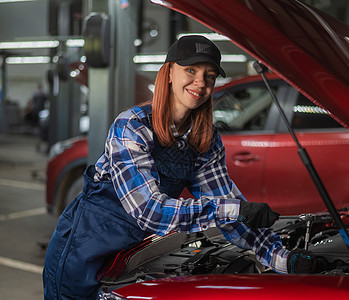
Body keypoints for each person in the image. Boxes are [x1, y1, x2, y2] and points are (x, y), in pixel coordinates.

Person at [43, 35, 318, 300]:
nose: (200, 82)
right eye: (191, 70)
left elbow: (227, 207)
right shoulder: (132, 126)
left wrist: (281, 258)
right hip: (83, 250)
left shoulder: (205, 140)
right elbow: (149, 211)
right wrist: (234, 210)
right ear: (169, 73)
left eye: (209, 76)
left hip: (132, 254)